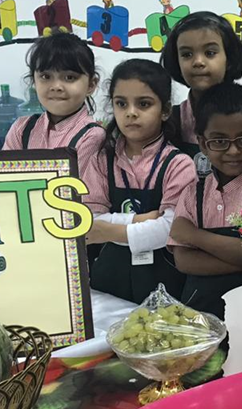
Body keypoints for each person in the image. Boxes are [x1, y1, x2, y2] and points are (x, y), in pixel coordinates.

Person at [83, 60, 197, 303]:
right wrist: (142, 220)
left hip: (165, 284)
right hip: (108, 279)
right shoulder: (102, 159)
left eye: (144, 104)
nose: (131, 112)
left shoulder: (179, 164)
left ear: (165, 110)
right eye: (121, 103)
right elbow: (89, 222)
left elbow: (170, 230)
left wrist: (109, 230)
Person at [170, 83, 242, 318]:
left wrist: (194, 235)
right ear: (203, 144)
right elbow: (183, 261)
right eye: (220, 141)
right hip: (198, 315)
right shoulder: (192, 194)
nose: (233, 151)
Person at [3, 32, 102, 175]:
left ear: (91, 85)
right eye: (46, 76)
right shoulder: (21, 129)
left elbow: (78, 189)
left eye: (69, 77)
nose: (56, 86)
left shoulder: (92, 137)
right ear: (34, 81)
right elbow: (3, 179)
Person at [161, 11, 242, 157]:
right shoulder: (170, 121)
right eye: (187, 54)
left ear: (229, 58)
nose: (198, 62)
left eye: (210, 53)